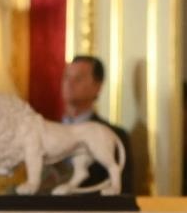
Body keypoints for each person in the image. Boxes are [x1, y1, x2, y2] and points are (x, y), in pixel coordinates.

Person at [48, 53, 130, 191]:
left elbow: (124, 191)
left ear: (97, 86)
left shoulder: (113, 135)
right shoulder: (47, 130)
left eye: (78, 78)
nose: (69, 83)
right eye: (66, 77)